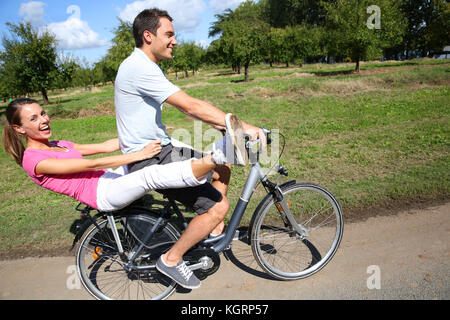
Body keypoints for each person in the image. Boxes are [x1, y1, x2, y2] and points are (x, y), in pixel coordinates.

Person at [114, 8, 265, 289]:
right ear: (148, 36)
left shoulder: (143, 65)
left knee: (223, 166)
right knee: (219, 207)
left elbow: (190, 108)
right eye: (169, 34)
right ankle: (171, 259)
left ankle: (211, 228)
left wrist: (220, 125)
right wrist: (241, 127)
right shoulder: (139, 68)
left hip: (161, 150)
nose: (175, 41)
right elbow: (188, 104)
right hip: (152, 160)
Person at [1, 98, 245, 215]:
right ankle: (218, 155)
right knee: (149, 174)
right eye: (33, 119)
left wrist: (145, 135)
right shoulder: (32, 160)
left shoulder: (57, 144)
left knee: (160, 149)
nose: (43, 120)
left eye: (42, 113)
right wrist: (137, 154)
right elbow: (92, 163)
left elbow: (105, 146)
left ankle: (212, 211)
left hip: (110, 178)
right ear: (19, 129)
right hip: (102, 193)